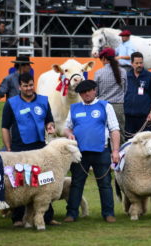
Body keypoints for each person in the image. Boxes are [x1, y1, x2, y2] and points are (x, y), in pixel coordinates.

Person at [1, 72, 59, 227]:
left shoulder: (43, 101)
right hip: (19, 149)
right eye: (25, 85)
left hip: (40, 149)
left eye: (31, 85)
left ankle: (47, 216)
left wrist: (50, 126)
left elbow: (49, 121)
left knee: (44, 182)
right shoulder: (11, 103)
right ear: (20, 86)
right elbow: (5, 127)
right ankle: (18, 218)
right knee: (21, 184)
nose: (28, 88)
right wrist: (8, 148)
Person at [63, 80, 120, 223]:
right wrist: (68, 134)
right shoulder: (74, 108)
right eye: (82, 92)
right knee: (76, 183)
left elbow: (114, 129)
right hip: (79, 153)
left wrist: (115, 151)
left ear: (95, 90)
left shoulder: (105, 106)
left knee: (105, 183)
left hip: (101, 150)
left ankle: (108, 213)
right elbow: (66, 127)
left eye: (89, 91)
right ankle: (71, 213)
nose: (86, 94)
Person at [94, 47, 127, 143]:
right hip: (118, 106)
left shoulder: (99, 73)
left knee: (102, 132)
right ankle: (120, 155)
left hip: (102, 106)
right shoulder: (123, 72)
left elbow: (96, 92)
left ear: (104, 58)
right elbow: (125, 89)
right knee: (119, 132)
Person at [124, 51, 151, 140]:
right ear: (131, 63)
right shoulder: (126, 76)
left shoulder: (150, 76)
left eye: (141, 63)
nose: (139, 65)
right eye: (137, 63)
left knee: (145, 144)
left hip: (144, 118)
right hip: (128, 117)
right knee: (129, 144)